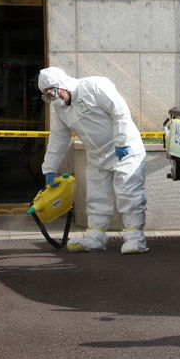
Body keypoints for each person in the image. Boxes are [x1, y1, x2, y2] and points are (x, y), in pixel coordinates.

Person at [38, 66, 149, 254]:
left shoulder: (94, 85)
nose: (51, 99)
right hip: (97, 155)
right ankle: (96, 237)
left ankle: (135, 238)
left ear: (62, 85)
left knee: (128, 193)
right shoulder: (61, 110)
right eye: (46, 96)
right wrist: (49, 168)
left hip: (125, 149)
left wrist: (121, 141)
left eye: (52, 93)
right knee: (96, 196)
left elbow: (119, 111)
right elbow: (58, 139)